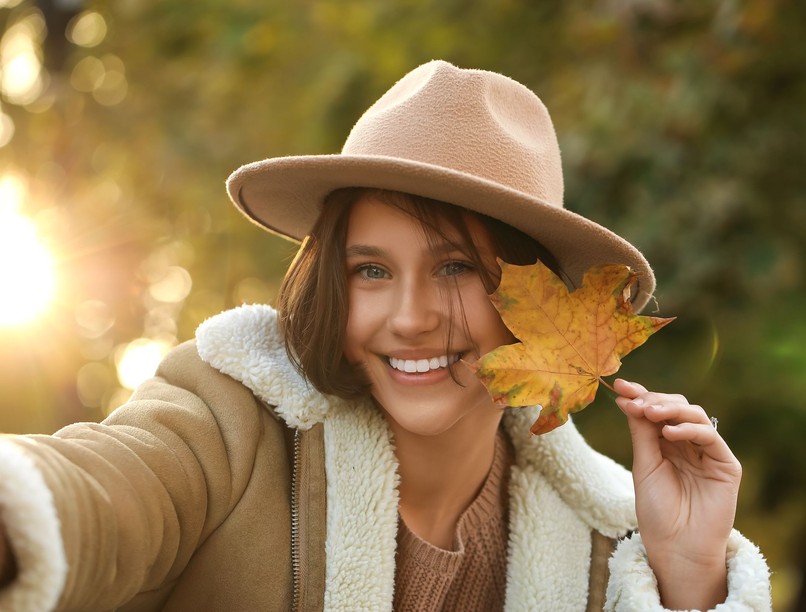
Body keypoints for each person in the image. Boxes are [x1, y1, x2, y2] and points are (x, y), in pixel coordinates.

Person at [0, 60, 771, 611]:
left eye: (456, 269)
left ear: (532, 302)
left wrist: (689, 576)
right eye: (371, 270)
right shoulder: (229, 421)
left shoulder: (606, 536)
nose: (408, 317)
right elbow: (95, 493)